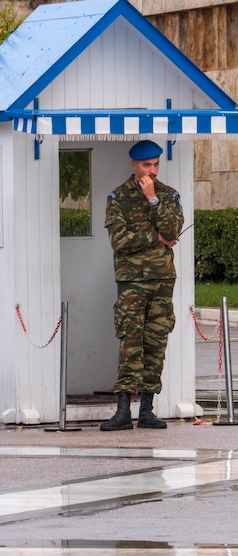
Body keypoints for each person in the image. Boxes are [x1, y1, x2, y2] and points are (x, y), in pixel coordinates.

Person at [101, 140, 184, 431]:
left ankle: (147, 409)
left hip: (162, 280)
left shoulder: (168, 195)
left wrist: (152, 199)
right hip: (132, 282)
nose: (152, 170)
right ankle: (123, 410)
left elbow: (173, 231)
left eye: (156, 164)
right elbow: (119, 242)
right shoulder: (118, 197)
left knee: (156, 343)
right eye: (147, 165)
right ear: (134, 165)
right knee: (130, 342)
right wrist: (155, 238)